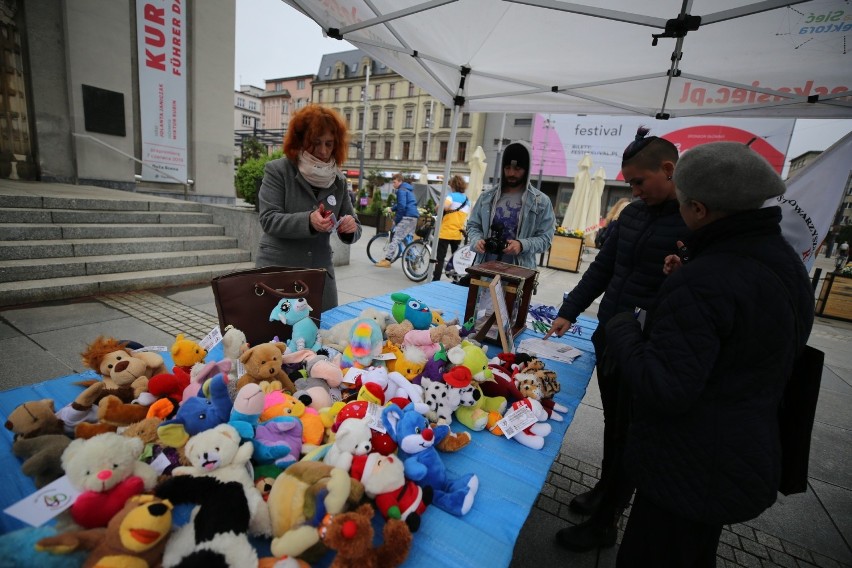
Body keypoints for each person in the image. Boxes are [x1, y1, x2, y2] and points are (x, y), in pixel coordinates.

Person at [604, 142, 814, 567]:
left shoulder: (707, 278)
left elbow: (664, 387)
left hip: (687, 462)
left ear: (698, 208)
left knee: (656, 551)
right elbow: (747, 340)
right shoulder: (787, 264)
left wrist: (624, 326)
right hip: (739, 450)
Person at [545, 127, 687, 552]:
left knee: (631, 430)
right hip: (612, 336)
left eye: (639, 182)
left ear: (668, 169)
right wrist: (570, 310)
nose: (634, 190)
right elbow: (602, 270)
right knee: (615, 423)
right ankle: (606, 488)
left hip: (649, 346)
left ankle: (607, 522)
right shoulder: (633, 214)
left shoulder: (692, 219)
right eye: (629, 184)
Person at [255, 104, 361, 312]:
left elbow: (354, 225)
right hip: (280, 272)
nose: (323, 151)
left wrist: (350, 228)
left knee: (324, 331)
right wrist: (308, 220)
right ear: (301, 140)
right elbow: (268, 219)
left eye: (329, 144)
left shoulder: (338, 180)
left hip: (320, 276)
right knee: (275, 335)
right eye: (316, 142)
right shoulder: (278, 171)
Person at [466, 141, 555, 270]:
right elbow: (473, 225)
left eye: (517, 169)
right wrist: (476, 240)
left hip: (520, 272)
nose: (511, 173)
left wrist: (522, 245)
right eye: (507, 168)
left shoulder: (540, 202)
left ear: (526, 170)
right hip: (484, 269)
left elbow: (546, 239)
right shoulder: (486, 197)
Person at [376, 173, 419, 268]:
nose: (393, 184)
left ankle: (387, 261)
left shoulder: (401, 191)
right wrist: (392, 208)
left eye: (394, 182)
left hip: (407, 217)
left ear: (400, 181)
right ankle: (413, 263)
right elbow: (404, 204)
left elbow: (402, 207)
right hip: (414, 217)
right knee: (409, 240)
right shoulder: (408, 190)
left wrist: (396, 220)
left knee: (396, 238)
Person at [433, 174, 471, 281]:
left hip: (445, 232)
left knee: (440, 258)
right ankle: (456, 279)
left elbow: (443, 207)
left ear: (453, 185)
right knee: (455, 259)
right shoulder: (467, 200)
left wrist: (437, 206)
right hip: (458, 233)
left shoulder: (451, 196)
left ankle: (435, 280)